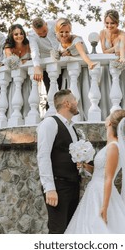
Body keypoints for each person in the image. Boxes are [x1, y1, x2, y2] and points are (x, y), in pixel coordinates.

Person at [65, 109, 125, 234]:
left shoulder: (114, 147)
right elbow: (100, 171)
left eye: (108, 116)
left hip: (101, 194)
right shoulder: (110, 145)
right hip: (94, 190)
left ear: (109, 123)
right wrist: (85, 166)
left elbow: (108, 178)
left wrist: (104, 207)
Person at [36, 89, 80, 234]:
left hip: (73, 186)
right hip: (58, 186)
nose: (77, 102)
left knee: (70, 230)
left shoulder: (72, 127)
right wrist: (49, 188)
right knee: (57, 231)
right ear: (67, 103)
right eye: (74, 100)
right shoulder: (49, 123)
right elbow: (43, 155)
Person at [99, 9, 125, 118]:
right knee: (107, 90)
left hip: (119, 66)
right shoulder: (102, 33)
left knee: (122, 89)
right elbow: (104, 51)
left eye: (112, 23)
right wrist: (115, 48)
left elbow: (122, 48)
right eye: (107, 23)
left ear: (117, 23)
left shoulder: (122, 34)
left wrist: (122, 56)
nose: (109, 25)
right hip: (107, 67)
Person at [3, 24, 32, 118]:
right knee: (14, 97)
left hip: (27, 77)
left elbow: (35, 56)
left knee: (28, 97)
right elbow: (10, 60)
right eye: (16, 34)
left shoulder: (28, 45)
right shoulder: (8, 47)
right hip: (14, 78)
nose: (19, 36)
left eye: (21, 33)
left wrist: (28, 60)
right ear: (12, 36)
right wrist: (20, 61)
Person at [28, 17, 61, 96]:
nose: (43, 34)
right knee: (50, 90)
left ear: (46, 24)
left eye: (44, 31)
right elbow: (34, 51)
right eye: (39, 34)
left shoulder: (55, 24)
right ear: (34, 30)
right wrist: (37, 67)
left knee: (63, 87)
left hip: (61, 60)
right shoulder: (32, 35)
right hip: (47, 65)